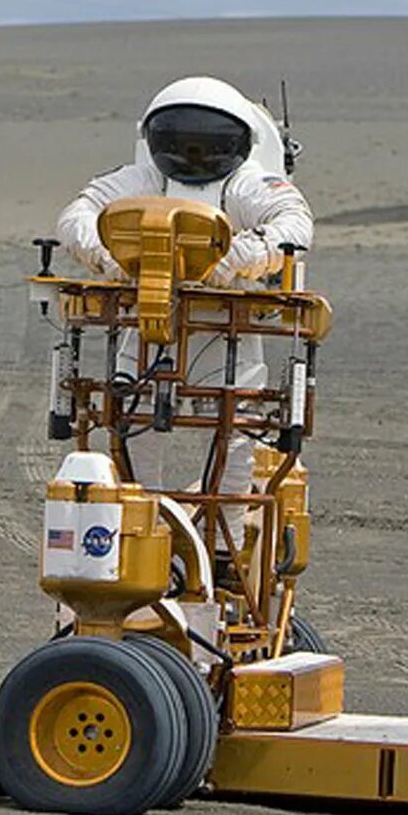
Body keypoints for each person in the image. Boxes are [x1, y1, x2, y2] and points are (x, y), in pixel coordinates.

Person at [56, 76, 313, 550]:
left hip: (225, 328)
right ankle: (138, 536)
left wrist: (230, 261)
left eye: (208, 144)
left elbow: (293, 223)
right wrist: (116, 260)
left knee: (235, 433)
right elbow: (77, 217)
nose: (194, 157)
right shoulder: (143, 181)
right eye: (181, 142)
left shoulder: (245, 186)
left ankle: (222, 548)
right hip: (147, 323)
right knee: (132, 424)